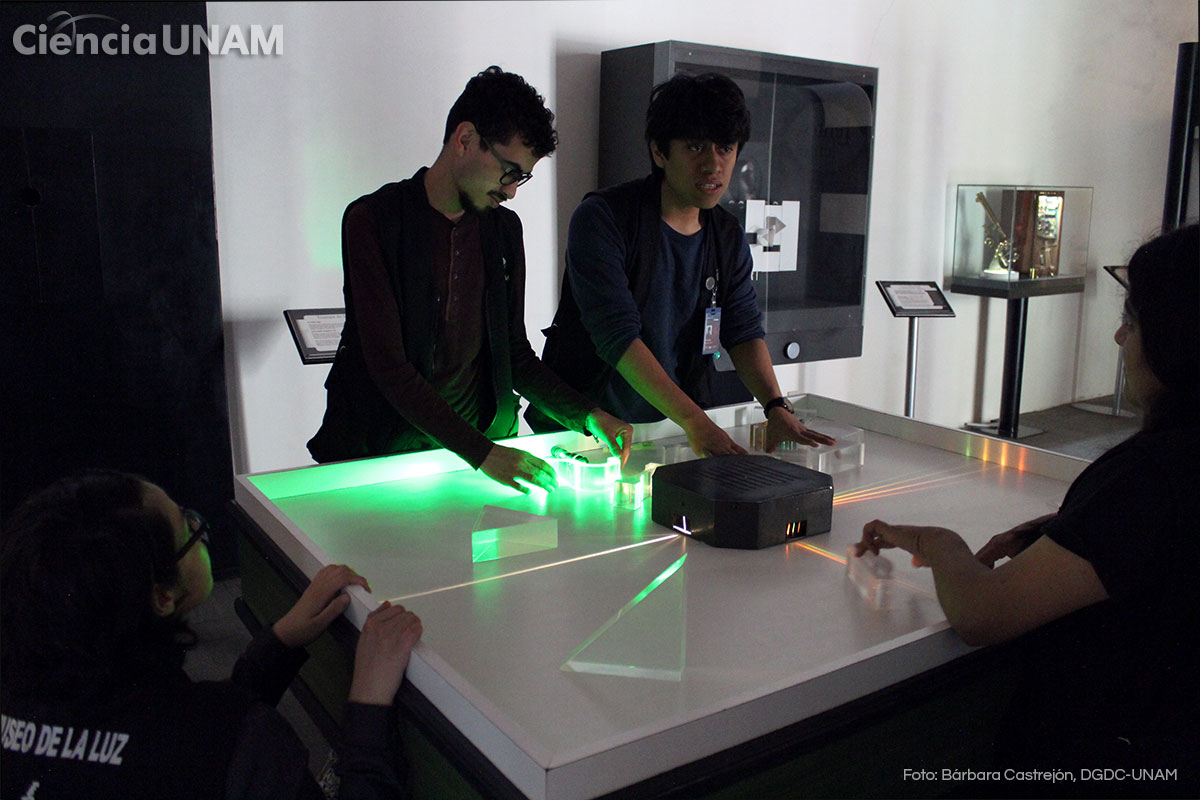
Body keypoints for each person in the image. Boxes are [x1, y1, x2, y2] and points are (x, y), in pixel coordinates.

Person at [855, 224, 1199, 795]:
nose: (1119, 337)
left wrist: (936, 542)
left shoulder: (1150, 477)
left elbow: (982, 614)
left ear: (1176, 338)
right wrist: (1065, 531)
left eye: (1134, 322)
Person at [0, 470, 423, 799]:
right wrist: (368, 707)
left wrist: (278, 644)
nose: (197, 525)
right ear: (163, 596)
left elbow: (171, 731)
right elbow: (208, 741)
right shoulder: (238, 740)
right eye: (186, 528)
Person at [307, 66, 630, 494]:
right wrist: (483, 454)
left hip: (480, 453)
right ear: (464, 140)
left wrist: (589, 415)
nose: (512, 191)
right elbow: (388, 366)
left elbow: (513, 353)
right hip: (385, 459)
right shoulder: (373, 221)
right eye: (509, 171)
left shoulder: (504, 230)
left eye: (522, 177)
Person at [533, 71, 834, 458]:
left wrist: (776, 406)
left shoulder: (726, 235)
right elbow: (617, 336)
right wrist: (695, 421)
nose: (713, 165)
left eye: (725, 148)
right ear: (660, 152)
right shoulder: (603, 218)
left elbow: (743, 330)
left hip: (670, 431)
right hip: (586, 433)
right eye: (695, 147)